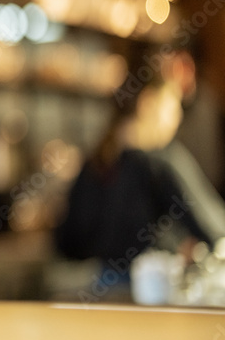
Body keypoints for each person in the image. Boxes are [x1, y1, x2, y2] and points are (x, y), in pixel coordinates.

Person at [54, 70, 209, 277]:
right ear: (148, 103)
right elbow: (209, 226)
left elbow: (66, 241)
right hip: (152, 288)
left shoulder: (93, 164)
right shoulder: (160, 162)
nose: (178, 117)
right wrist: (178, 248)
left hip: (100, 288)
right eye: (174, 106)